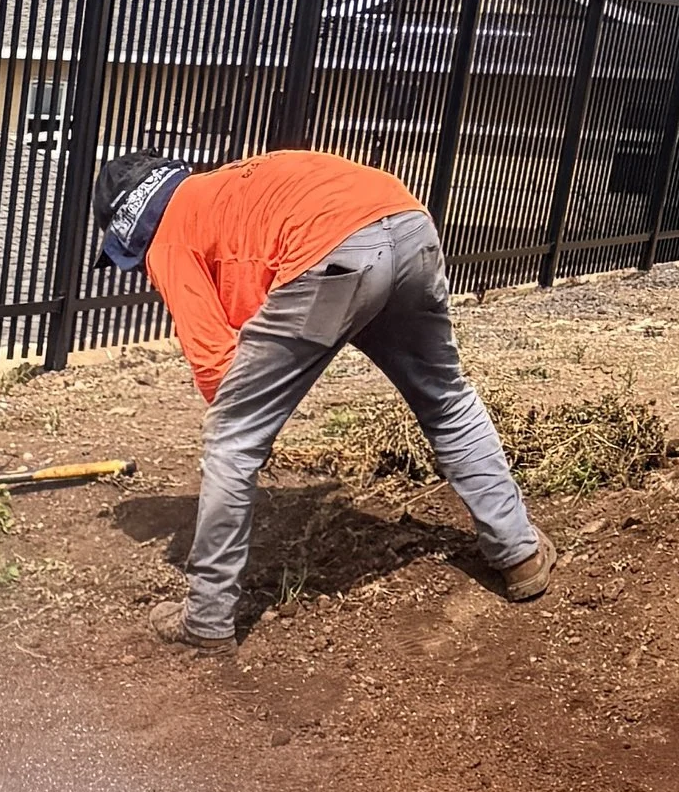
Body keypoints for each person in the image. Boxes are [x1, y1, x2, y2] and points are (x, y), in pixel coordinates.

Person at [95, 143, 553, 650]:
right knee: (445, 399)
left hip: (332, 257)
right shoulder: (225, 188)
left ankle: (206, 618)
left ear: (129, 223)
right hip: (406, 221)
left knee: (231, 441)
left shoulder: (168, 237)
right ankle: (519, 553)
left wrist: (246, 416)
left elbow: (214, 363)